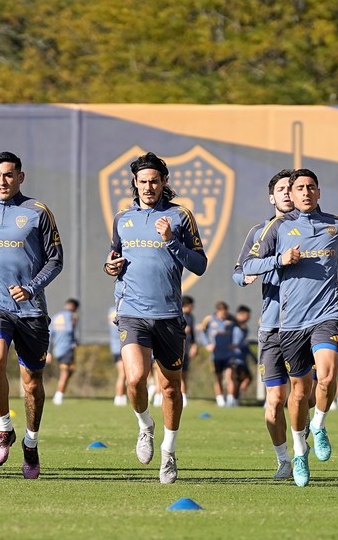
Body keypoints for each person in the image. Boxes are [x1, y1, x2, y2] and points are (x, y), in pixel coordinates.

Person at [239, 168, 338, 487]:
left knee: (326, 376)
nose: (302, 193)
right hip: (282, 324)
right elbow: (245, 268)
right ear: (278, 195)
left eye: (309, 187)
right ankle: (292, 455)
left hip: (326, 314)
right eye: (295, 188)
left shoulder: (336, 225)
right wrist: (279, 260)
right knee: (287, 397)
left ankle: (319, 425)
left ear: (318, 191)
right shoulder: (271, 229)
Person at [103, 151, 207, 484]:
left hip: (169, 315)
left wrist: (171, 241)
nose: (148, 187)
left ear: (164, 182)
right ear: (135, 183)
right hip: (132, 312)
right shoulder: (122, 218)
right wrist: (110, 266)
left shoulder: (180, 216)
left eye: (154, 181)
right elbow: (114, 256)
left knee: (171, 389)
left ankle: (169, 451)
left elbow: (200, 265)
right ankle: (145, 425)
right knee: (135, 379)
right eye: (143, 181)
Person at [0, 151, 63, 480]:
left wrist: (32, 288)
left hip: (31, 310)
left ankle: (31, 443)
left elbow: (56, 260)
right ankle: (4, 428)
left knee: (32, 383)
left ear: (20, 177)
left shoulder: (38, 212)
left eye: (9, 175)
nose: (3, 181)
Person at [234, 169, 302, 479]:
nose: (287, 193)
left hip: (305, 325)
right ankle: (284, 460)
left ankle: (305, 434)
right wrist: (251, 274)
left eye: (292, 188)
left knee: (306, 396)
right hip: (272, 325)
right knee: (274, 400)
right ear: (271, 197)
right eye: (281, 189)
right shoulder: (259, 231)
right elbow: (240, 271)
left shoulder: (314, 229)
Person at [199, 301, 237, 407]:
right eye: (222, 313)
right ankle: (220, 399)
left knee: (230, 376)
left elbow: (242, 329)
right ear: (218, 311)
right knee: (218, 377)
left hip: (229, 354)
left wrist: (236, 343)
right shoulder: (209, 319)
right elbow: (201, 331)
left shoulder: (232, 319)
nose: (224, 315)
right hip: (216, 355)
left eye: (225, 312)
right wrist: (207, 344)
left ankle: (230, 400)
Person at [48, 299, 80, 405]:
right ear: (74, 307)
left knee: (69, 370)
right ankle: (58, 396)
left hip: (57, 349)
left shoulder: (56, 317)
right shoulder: (70, 316)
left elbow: (50, 334)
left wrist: (48, 352)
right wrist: (74, 341)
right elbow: (69, 330)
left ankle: (59, 394)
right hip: (67, 348)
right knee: (65, 372)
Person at [108, 305, 127, 405]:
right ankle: (119, 397)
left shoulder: (111, 310)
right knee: (123, 374)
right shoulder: (125, 308)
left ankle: (122, 396)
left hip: (114, 346)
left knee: (123, 374)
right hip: (122, 345)